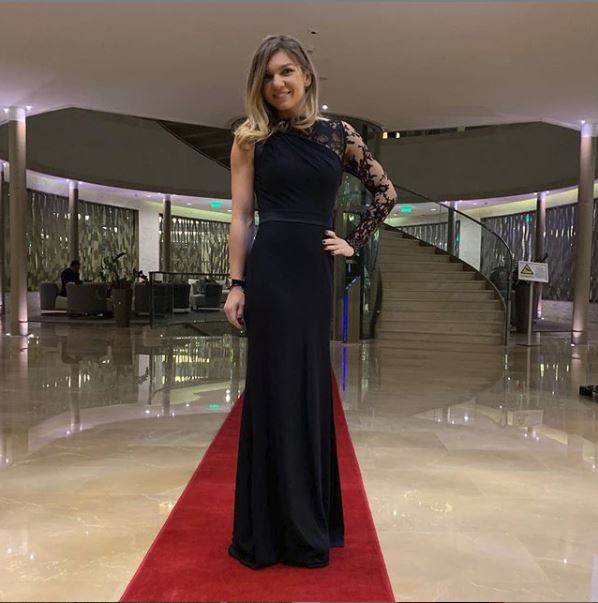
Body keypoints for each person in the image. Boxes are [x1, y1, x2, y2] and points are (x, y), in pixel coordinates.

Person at [224, 34, 397, 570]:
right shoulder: (249, 140)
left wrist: (353, 243)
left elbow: (386, 193)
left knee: (307, 384)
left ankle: (306, 523)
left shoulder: (339, 135)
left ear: (306, 75)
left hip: (312, 272)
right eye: (268, 76)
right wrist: (236, 283)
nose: (278, 83)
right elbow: (241, 217)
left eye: (287, 71)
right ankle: (267, 528)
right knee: (271, 386)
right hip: (270, 268)